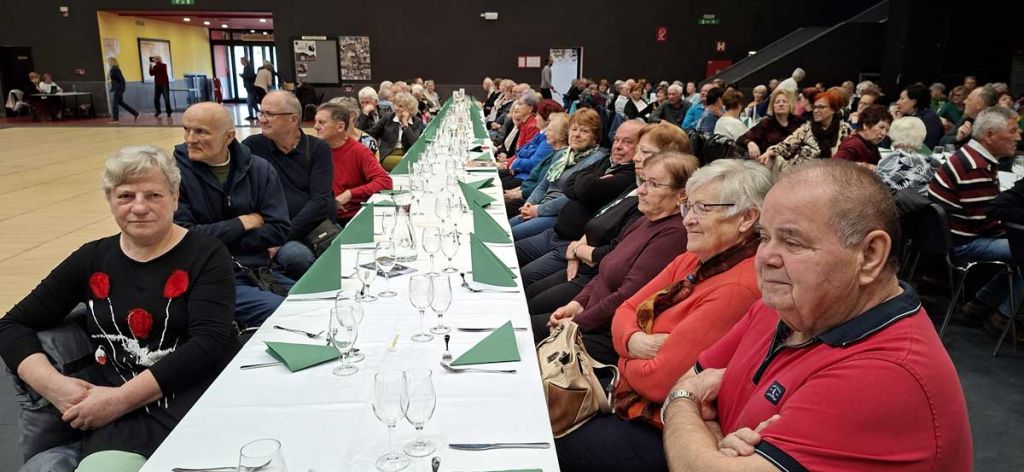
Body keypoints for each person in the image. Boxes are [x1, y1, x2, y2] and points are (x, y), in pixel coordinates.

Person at [662, 159, 972, 471]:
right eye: (764, 237)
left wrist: (680, 400)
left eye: (792, 241)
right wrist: (711, 440)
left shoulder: (886, 374)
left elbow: (693, 444)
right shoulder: (779, 307)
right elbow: (691, 378)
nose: (765, 257)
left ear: (869, 255)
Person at [0, 146, 236, 466]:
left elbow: (209, 343)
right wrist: (55, 387)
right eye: (125, 196)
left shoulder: (206, 253)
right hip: (122, 420)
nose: (139, 207)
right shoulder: (92, 258)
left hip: (197, 399)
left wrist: (118, 401)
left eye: (153, 195)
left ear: (175, 198)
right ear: (110, 200)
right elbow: (11, 325)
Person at [554, 159, 772, 471]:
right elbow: (625, 309)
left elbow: (660, 382)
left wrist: (624, 353)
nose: (688, 220)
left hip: (658, 425)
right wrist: (634, 341)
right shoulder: (694, 259)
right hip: (626, 394)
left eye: (703, 209)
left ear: (747, 218)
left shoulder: (738, 286)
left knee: (548, 437)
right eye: (688, 207)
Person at [530, 149, 697, 360]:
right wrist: (576, 304)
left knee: (523, 336)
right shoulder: (645, 220)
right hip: (589, 317)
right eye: (643, 181)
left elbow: (628, 295)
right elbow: (604, 271)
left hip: (606, 335)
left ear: (681, 195)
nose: (641, 190)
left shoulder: (673, 236)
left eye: (653, 184)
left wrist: (577, 322)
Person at [173, 102, 292, 327]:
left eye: (201, 132)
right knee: (287, 313)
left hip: (259, 270)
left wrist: (222, 238)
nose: (190, 139)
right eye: (186, 129)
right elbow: (184, 238)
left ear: (228, 137)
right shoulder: (172, 175)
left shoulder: (260, 169)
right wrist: (242, 223)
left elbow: (279, 230)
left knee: (315, 303)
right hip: (208, 279)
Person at [929, 106, 1023, 330]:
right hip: (965, 243)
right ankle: (1003, 317)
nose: (1019, 137)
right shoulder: (975, 166)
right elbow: (985, 223)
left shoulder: (971, 156)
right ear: (989, 135)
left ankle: (979, 305)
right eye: (1012, 131)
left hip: (956, 236)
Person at [516, 119, 642, 285]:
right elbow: (569, 184)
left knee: (524, 276)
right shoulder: (606, 161)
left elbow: (587, 189)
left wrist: (587, 182)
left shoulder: (630, 175)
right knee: (510, 251)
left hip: (571, 244)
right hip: (555, 233)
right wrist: (588, 182)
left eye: (627, 142)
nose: (618, 146)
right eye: (617, 140)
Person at [241, 91, 334, 280]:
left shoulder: (317, 148)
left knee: (338, 252)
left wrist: (284, 235)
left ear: (293, 119)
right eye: (261, 113)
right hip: (274, 228)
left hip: (312, 225)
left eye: (269, 114)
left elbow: (320, 201)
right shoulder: (251, 147)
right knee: (297, 258)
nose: (262, 120)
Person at [510, 108, 608, 240]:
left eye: (584, 131)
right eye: (574, 129)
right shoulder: (562, 155)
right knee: (503, 227)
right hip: (539, 207)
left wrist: (539, 210)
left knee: (511, 234)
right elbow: (543, 185)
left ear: (595, 137)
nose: (577, 135)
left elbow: (572, 197)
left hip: (559, 215)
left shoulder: (596, 160)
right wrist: (529, 204)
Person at [314, 101, 393, 225]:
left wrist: (350, 194)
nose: (315, 127)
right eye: (316, 122)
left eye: (321, 122)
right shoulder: (313, 151)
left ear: (340, 127)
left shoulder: (359, 152)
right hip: (319, 217)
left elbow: (384, 181)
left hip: (348, 219)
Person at [759, 90, 852, 172]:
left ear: (833, 109)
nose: (816, 111)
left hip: (831, 173)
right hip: (801, 172)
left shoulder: (845, 130)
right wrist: (770, 152)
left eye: (821, 107)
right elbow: (787, 145)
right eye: (815, 107)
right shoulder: (806, 128)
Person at [875, 117, 940, 216]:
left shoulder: (883, 162)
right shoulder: (930, 164)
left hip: (889, 216)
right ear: (922, 135)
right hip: (922, 216)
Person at [507, 98, 562, 186]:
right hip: (520, 172)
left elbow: (534, 163)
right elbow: (522, 151)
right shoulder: (540, 134)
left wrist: (515, 163)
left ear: (546, 120)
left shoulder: (547, 141)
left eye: (537, 115)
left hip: (525, 177)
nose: (535, 118)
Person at [737, 89, 803, 161]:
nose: (781, 104)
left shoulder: (799, 122)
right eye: (777, 102)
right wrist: (750, 143)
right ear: (772, 106)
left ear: (790, 105)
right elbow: (741, 139)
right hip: (769, 162)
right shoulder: (766, 123)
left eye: (784, 101)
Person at [366, 92, 426, 171]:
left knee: (414, 162)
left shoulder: (417, 121)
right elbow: (370, 134)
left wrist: (405, 125)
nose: (396, 108)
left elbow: (414, 144)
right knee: (410, 164)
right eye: (396, 105)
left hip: (407, 154)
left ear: (410, 109)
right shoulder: (388, 117)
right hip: (388, 155)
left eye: (400, 106)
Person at [895, 83, 943, 148]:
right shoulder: (904, 116)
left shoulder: (930, 119)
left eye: (902, 99)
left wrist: (896, 122)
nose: (897, 102)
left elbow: (927, 146)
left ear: (913, 102)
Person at [107, 57, 138, 122]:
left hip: (118, 89)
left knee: (115, 104)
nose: (107, 63)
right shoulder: (113, 69)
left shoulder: (116, 70)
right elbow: (113, 80)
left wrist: (121, 89)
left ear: (112, 62)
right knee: (121, 103)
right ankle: (135, 113)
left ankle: (115, 118)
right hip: (117, 88)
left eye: (108, 61)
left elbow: (122, 80)